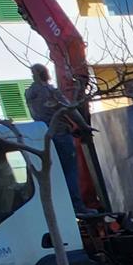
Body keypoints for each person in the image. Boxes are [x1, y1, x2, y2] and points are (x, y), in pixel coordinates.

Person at [24, 63, 86, 209]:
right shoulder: (50, 91)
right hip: (60, 133)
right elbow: (70, 109)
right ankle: (77, 206)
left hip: (44, 136)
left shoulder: (29, 93)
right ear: (44, 73)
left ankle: (63, 207)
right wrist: (84, 125)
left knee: (56, 174)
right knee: (70, 171)